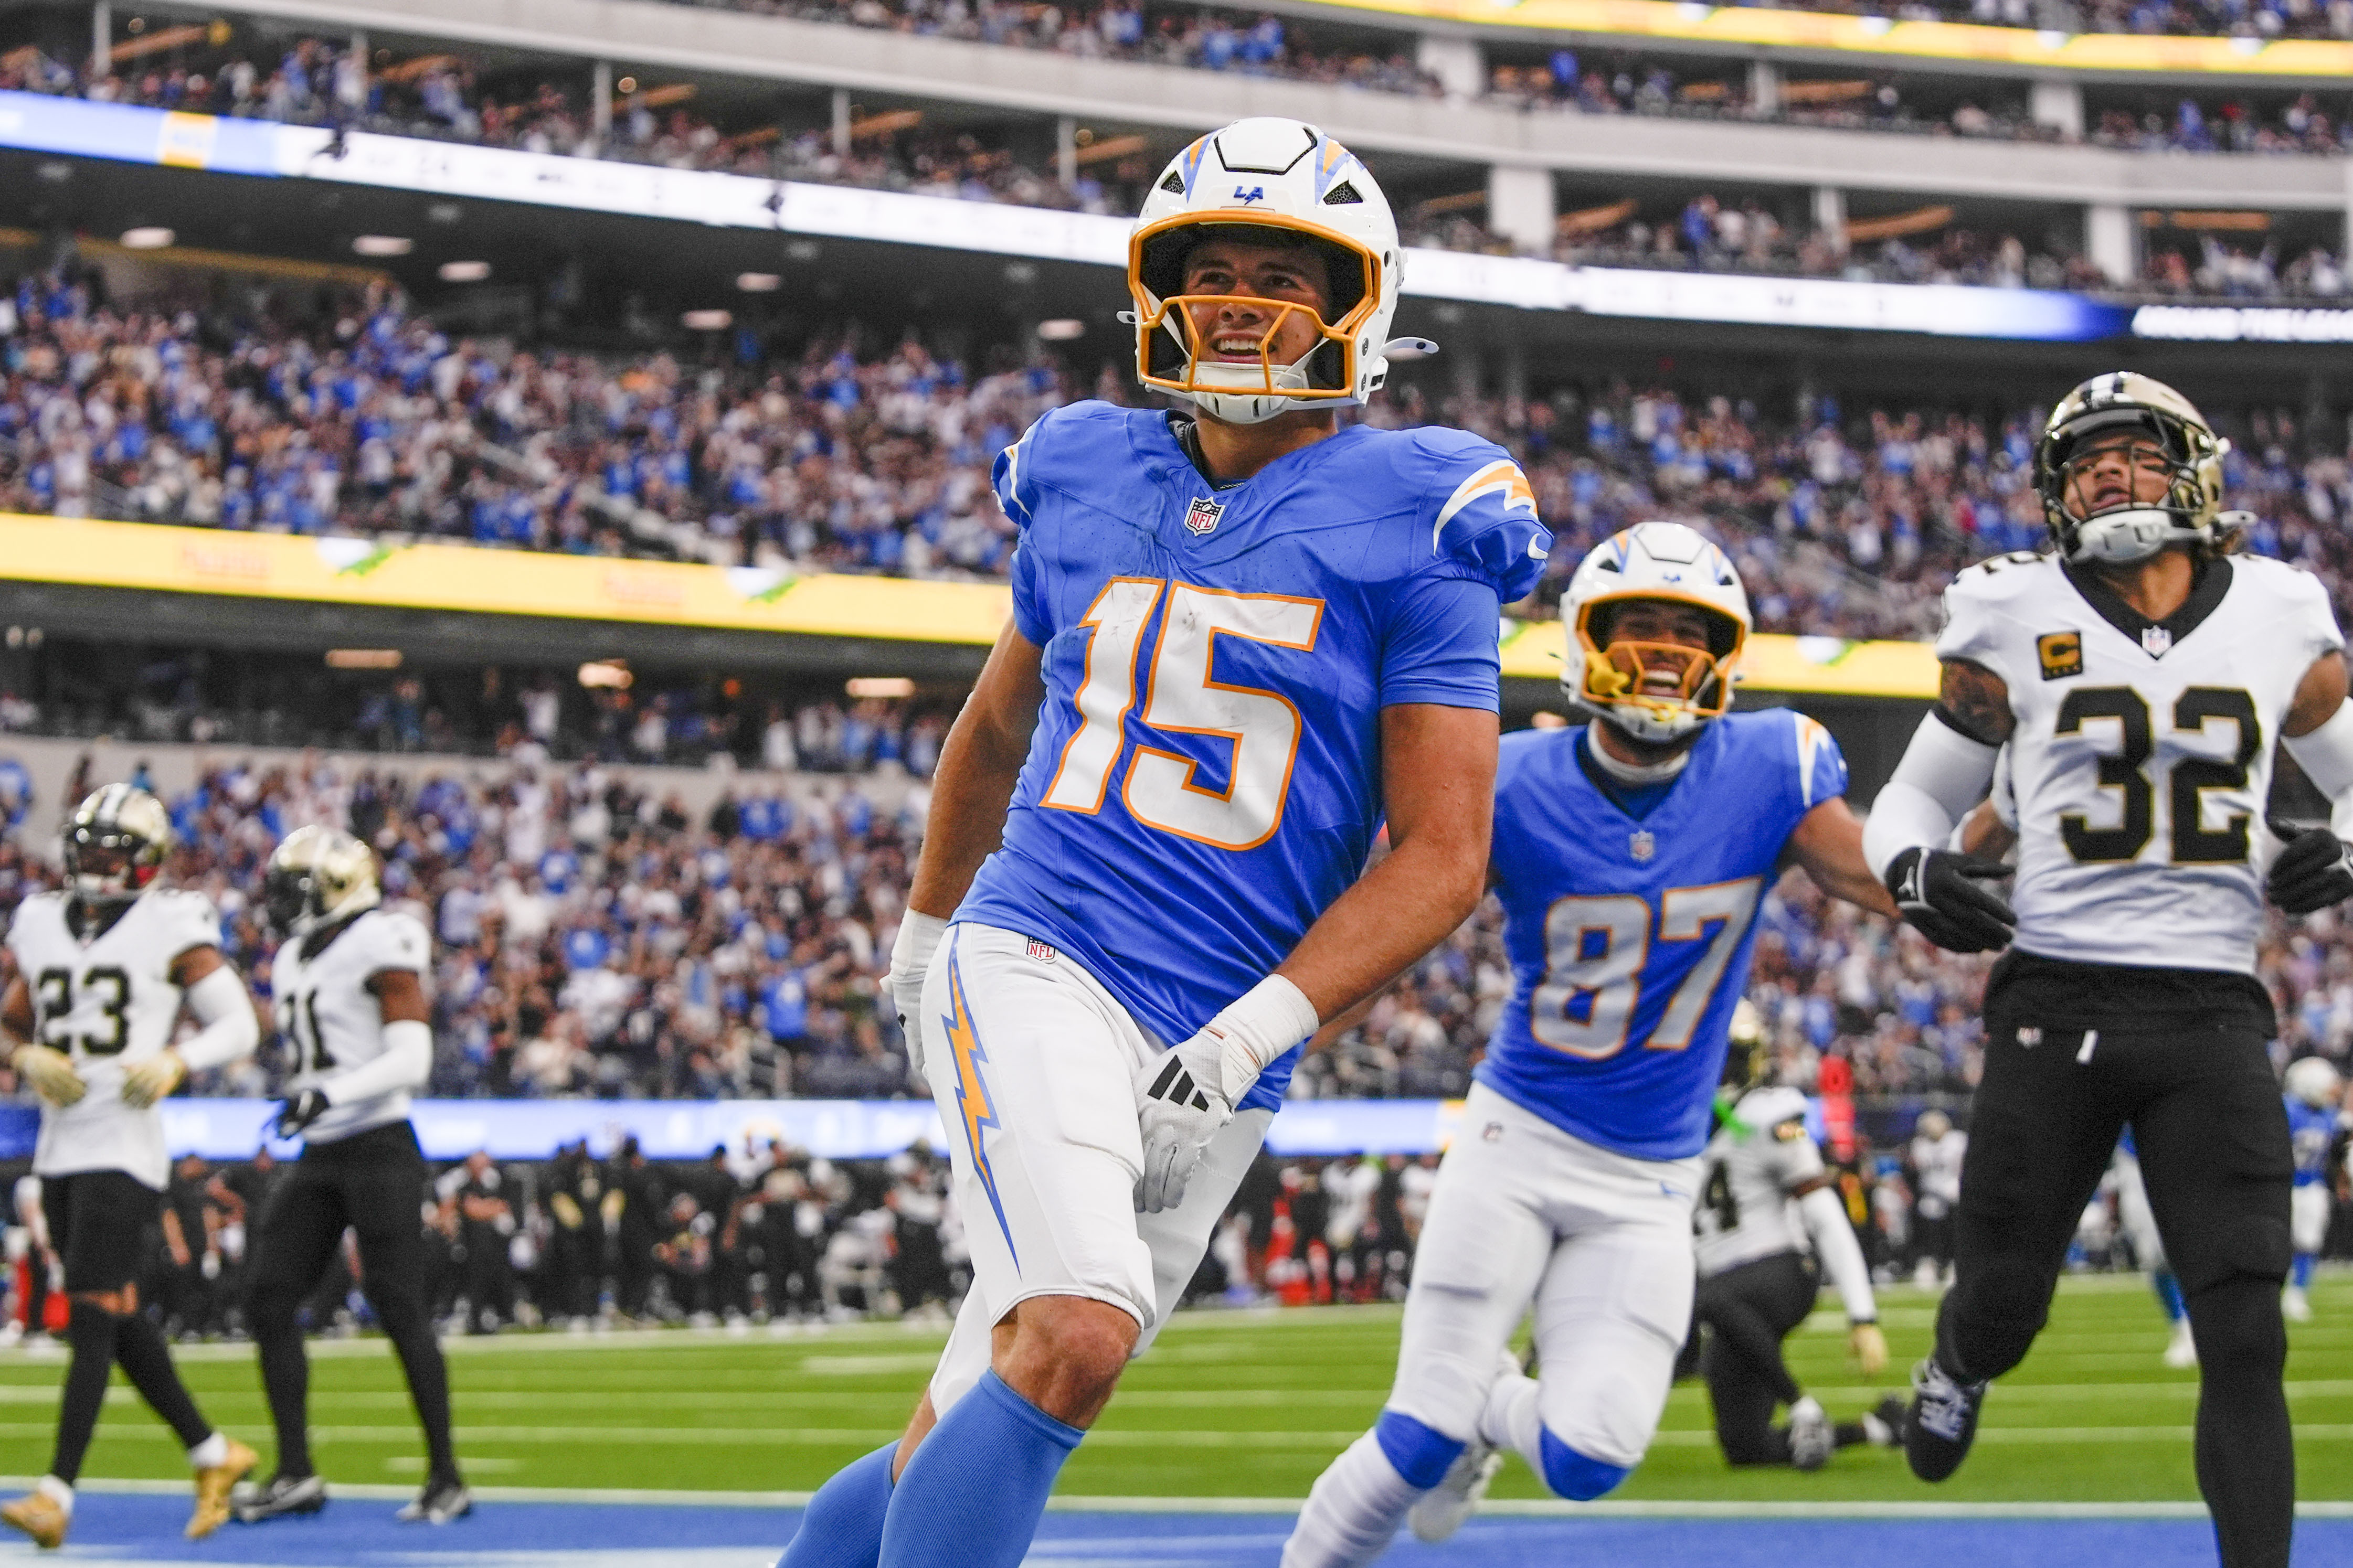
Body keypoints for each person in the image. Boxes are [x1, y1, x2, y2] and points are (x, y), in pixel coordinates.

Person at [778, 114, 1548, 1568]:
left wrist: (1257, 1028)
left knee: (969, 1405)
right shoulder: (1077, 466)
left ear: (1356, 305)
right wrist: (928, 929)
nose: (1241, 298)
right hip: (1041, 951)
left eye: (1284, 271)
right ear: (1158, 292)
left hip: (1217, 1037)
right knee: (1076, 1329)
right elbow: (994, 731)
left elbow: (1443, 854)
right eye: (1213, 269)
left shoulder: (1425, 511)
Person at [1283, 521, 1896, 1565]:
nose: (1662, 651)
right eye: (1638, 625)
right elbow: (1387, 933)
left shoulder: (1772, 763)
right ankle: (1430, 1440)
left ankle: (1493, 1413)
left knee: (1590, 1454)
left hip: (1650, 1175)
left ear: (1726, 654)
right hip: (1517, 1139)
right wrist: (1269, 1044)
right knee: (1416, 1425)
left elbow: (1884, 878)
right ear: (1583, 641)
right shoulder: (1507, 778)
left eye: (1686, 631)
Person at [1859, 371, 2349, 1568]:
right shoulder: (2009, 612)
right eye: (2084, 463)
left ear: (2191, 470)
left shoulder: (2279, 610)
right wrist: (1913, 871)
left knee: (2242, 1330)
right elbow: (1917, 794)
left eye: (2130, 455)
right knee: (2004, 1305)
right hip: (2055, 999)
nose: (2106, 477)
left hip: (2213, 1008)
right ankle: (1958, 1361)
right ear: (2051, 491)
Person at [0, 784, 261, 1548]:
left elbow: (238, 1021)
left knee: (87, 1308)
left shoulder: (172, 923)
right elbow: (10, 1023)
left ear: (146, 861)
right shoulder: (41, 920)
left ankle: (56, 1494)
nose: (96, 862)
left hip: (125, 1142)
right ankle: (215, 1452)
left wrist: (179, 1057)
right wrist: (24, 1055)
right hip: (60, 1143)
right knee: (113, 1315)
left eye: (113, 850)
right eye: (87, 847)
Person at [234, 826, 468, 1527]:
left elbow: (411, 1055)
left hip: (379, 1144)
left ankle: (446, 1477)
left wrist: (324, 1095)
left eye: (294, 889)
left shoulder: (380, 937)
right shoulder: (289, 956)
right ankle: (297, 1471)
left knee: (398, 1305)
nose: (280, 902)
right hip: (323, 1149)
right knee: (267, 1297)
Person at [1693, 1052, 1902, 1471]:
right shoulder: (1678, 1122)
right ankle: (1881, 1427)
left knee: (1702, 1297)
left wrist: (1863, 1316)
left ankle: (1802, 1406)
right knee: (1745, 1447)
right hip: (1727, 1293)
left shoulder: (1770, 1115)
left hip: (1780, 1272)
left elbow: (1824, 1216)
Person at [2282, 1056, 2344, 1322]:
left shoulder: (2329, 1115)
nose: (2332, 1092)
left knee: (2309, 1242)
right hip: (2284, 1185)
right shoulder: (2287, 1110)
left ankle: (2297, 1294)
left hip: (2312, 1184)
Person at [1906, 1110, 1966, 1287]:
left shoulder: (1957, 1140)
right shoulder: (1920, 1145)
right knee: (1931, 1233)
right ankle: (1931, 1264)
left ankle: (1954, 1265)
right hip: (1931, 1195)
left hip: (1953, 1191)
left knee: (1954, 1231)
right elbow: (1917, 1168)